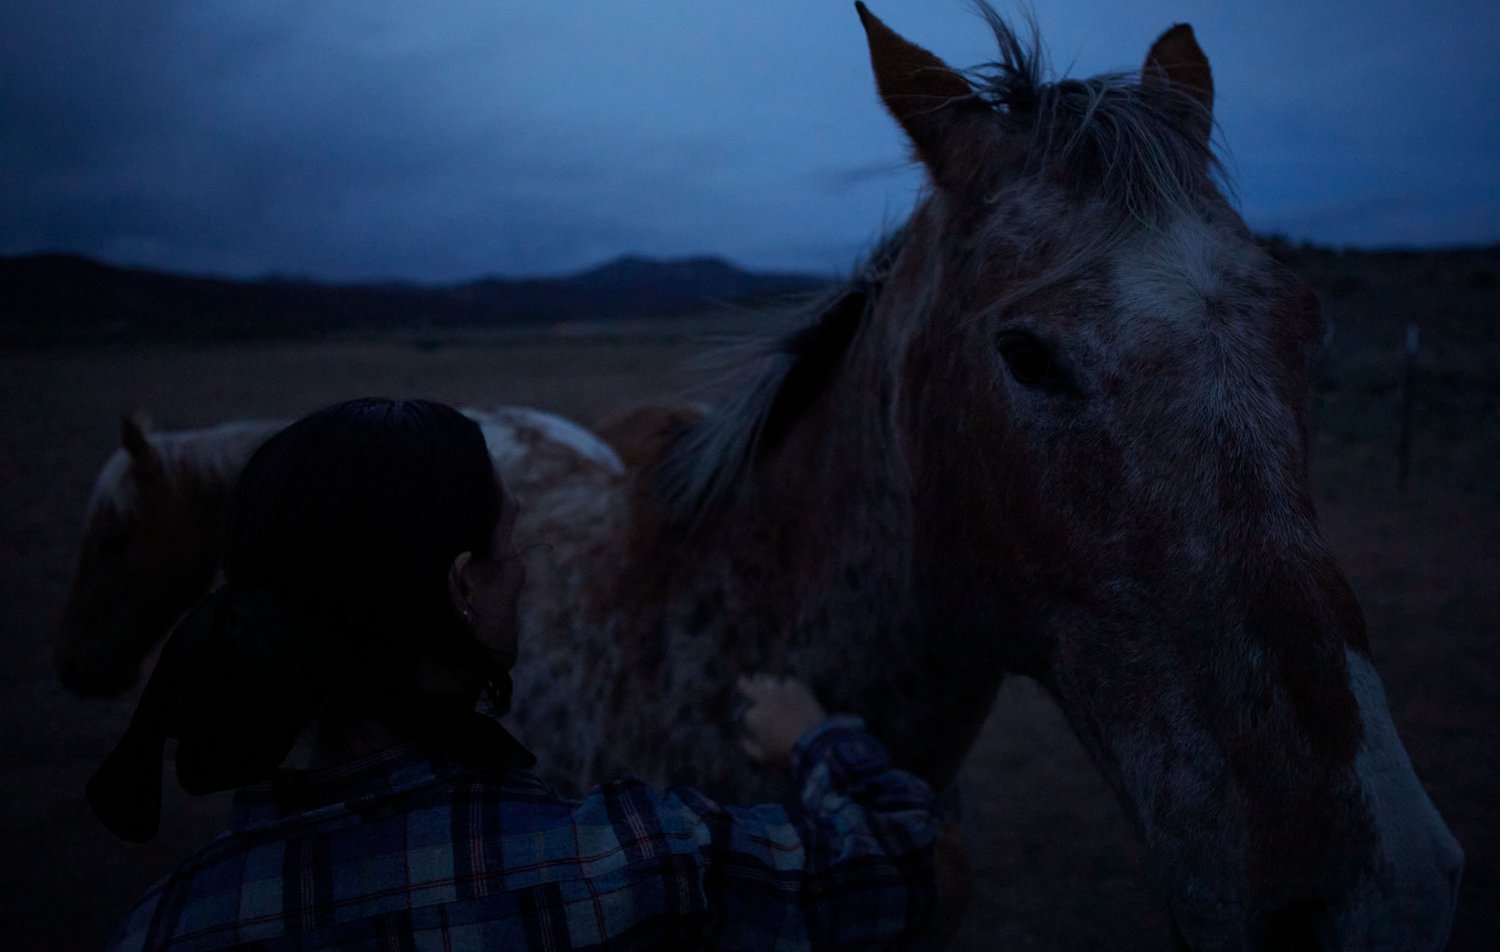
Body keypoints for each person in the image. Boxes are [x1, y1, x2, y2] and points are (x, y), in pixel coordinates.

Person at [88, 397, 945, 951]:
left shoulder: (164, 925)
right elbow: (912, 866)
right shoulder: (638, 861)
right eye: (511, 543)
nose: (528, 570)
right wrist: (819, 740)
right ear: (464, 587)